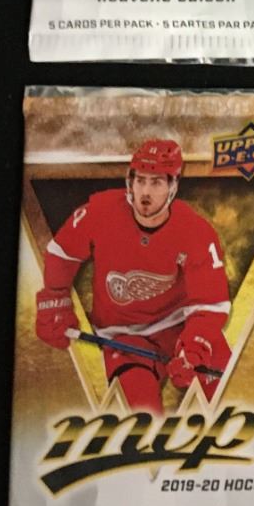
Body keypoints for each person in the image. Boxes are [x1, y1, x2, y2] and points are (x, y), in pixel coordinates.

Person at [34, 137, 232, 411]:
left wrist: (194, 348)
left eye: (156, 182)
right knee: (140, 413)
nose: (145, 192)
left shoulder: (196, 231)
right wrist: (54, 298)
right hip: (121, 334)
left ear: (173, 186)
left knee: (228, 389)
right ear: (130, 181)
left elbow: (210, 302)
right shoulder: (100, 212)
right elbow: (62, 252)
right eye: (140, 180)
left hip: (178, 325)